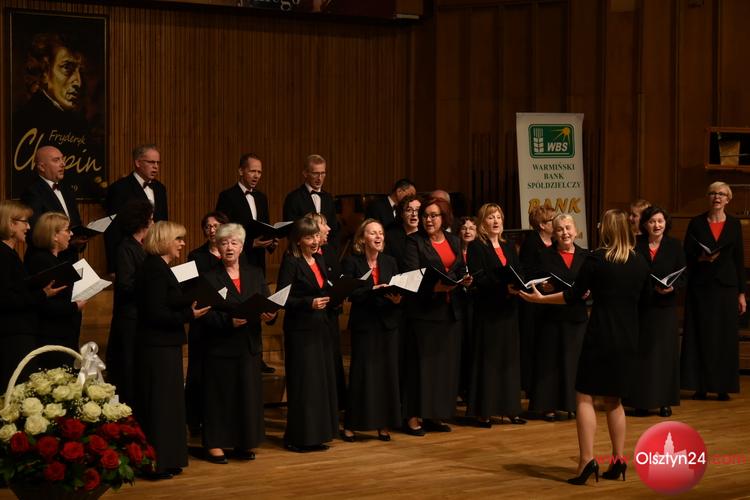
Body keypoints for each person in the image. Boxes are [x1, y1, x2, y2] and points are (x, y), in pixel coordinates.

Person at [519, 209, 649, 485]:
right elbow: (645, 299)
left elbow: (572, 295)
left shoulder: (596, 259)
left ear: (607, 230)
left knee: (584, 396)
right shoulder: (639, 261)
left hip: (600, 333)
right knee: (614, 399)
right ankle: (618, 459)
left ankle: (586, 461)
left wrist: (540, 300)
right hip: (629, 336)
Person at [134, 221, 210, 480]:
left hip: (165, 345)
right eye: (178, 239)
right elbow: (155, 313)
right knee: (159, 406)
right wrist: (190, 314)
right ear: (164, 240)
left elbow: (167, 301)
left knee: (169, 405)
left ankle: (169, 459)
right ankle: (155, 463)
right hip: (157, 347)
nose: (182, 243)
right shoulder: (154, 269)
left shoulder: (160, 268)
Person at [199, 224, 275, 463]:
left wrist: (271, 314)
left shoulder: (255, 273)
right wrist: (227, 321)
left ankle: (244, 441)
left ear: (242, 247)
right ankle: (215, 444)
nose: (229, 247)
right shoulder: (209, 277)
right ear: (218, 247)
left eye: (234, 243)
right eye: (224, 243)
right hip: (221, 346)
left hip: (249, 344)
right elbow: (203, 314)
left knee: (246, 396)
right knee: (220, 397)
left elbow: (267, 302)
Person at [402, 197, 472, 435]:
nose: (428, 220)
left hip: (451, 312)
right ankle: (413, 416)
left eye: (434, 215)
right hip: (425, 312)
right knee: (421, 368)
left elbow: (460, 267)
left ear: (444, 217)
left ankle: (435, 414)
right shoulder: (414, 241)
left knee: (444, 368)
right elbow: (411, 275)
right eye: (425, 215)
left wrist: (463, 279)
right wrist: (434, 288)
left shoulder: (454, 240)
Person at [276, 217, 339, 452]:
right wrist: (308, 303)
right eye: (309, 237)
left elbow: (325, 287)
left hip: (320, 328)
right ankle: (297, 438)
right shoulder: (291, 262)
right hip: (300, 332)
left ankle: (317, 435)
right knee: (304, 384)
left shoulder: (319, 259)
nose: (314, 241)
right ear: (298, 240)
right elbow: (282, 298)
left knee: (319, 384)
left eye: (316, 236)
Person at [682, 182, 746, 401]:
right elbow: (686, 254)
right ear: (707, 197)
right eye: (712, 193)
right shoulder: (696, 223)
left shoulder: (734, 224)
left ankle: (722, 387)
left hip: (726, 287)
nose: (716, 197)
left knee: (724, 337)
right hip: (701, 286)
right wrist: (700, 257)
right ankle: (699, 386)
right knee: (700, 335)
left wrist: (741, 293)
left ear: (728, 199)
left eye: (721, 194)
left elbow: (738, 258)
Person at [340, 219, 402, 442]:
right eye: (373, 233)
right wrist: (372, 289)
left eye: (380, 233)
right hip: (365, 325)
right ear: (362, 238)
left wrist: (397, 299)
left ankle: (383, 424)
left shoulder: (390, 261)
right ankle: (351, 424)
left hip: (387, 324)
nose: (378, 237)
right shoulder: (352, 262)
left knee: (386, 376)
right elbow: (350, 293)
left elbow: (399, 287)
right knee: (362, 375)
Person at [465, 203, 526, 427]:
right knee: (489, 361)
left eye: (499, 217)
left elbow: (518, 271)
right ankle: (484, 411)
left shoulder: (508, 246)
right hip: (489, 310)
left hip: (509, 310)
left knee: (509, 360)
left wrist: (518, 286)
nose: (496, 221)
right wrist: (503, 288)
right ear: (483, 222)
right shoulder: (476, 247)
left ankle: (511, 408)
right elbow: (479, 278)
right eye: (491, 217)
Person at [528, 214, 588, 422]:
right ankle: (548, 406)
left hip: (576, 316)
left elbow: (595, 282)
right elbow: (532, 279)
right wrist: (543, 286)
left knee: (574, 362)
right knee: (550, 362)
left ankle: (573, 405)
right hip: (551, 315)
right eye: (560, 229)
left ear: (576, 231)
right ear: (554, 233)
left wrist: (590, 292)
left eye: (568, 228)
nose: (565, 233)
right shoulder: (544, 255)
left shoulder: (585, 255)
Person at [625, 206, 684, 417]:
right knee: (642, 355)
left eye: (660, 221)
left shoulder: (674, 245)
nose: (656, 225)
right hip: (641, 307)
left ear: (666, 223)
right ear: (645, 224)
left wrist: (672, 287)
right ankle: (640, 402)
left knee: (664, 356)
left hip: (665, 308)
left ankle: (664, 402)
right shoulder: (635, 244)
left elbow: (684, 275)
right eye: (652, 222)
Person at [0, 201, 64, 389]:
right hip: (12, 334)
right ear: (11, 223)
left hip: (19, 330)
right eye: (25, 222)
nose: (28, 227)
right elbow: (6, 298)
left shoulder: (10, 253)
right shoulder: (3, 255)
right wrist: (42, 294)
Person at [106, 199, 154, 407]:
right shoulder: (126, 247)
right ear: (142, 221)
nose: (153, 223)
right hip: (129, 319)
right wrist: (152, 284)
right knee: (128, 366)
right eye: (151, 219)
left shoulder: (143, 247)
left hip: (140, 316)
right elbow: (126, 284)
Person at [25, 212, 86, 369]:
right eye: (67, 230)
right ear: (54, 236)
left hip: (62, 332)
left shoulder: (56, 259)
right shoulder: (42, 261)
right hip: (52, 335)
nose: (71, 234)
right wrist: (75, 306)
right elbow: (44, 304)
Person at [104, 144, 168, 272]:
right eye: (151, 162)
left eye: (158, 162)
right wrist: (113, 267)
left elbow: (163, 223)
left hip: (156, 254)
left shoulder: (160, 188)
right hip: (130, 256)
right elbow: (112, 229)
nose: (156, 166)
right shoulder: (120, 188)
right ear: (138, 163)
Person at [20, 145, 85, 262]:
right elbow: (34, 233)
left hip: (71, 258)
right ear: (41, 167)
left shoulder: (68, 190)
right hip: (46, 261)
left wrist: (80, 239)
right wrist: (69, 242)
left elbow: (75, 223)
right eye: (56, 160)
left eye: (62, 159)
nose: (63, 164)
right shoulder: (32, 192)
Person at [307, 211, 345, 408]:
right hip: (313, 318)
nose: (329, 228)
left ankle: (336, 403)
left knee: (333, 359)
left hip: (331, 313)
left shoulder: (328, 251)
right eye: (324, 224)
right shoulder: (300, 256)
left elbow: (336, 277)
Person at [215, 153, 277, 271]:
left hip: (259, 260)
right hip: (237, 258)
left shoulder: (262, 198)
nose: (256, 176)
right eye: (252, 171)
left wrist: (271, 242)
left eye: (259, 172)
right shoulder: (227, 196)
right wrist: (251, 243)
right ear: (241, 171)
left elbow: (265, 226)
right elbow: (223, 230)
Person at [518, 205, 556, 395]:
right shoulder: (531, 243)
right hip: (534, 301)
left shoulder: (556, 241)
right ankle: (531, 386)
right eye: (552, 220)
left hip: (552, 300)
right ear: (542, 225)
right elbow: (527, 272)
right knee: (533, 343)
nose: (556, 223)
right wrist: (543, 284)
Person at [282, 154, 339, 250]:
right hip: (301, 252)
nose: (319, 178)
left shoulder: (328, 198)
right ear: (305, 173)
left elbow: (334, 230)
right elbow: (291, 231)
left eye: (322, 173)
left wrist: (330, 252)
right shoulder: (293, 198)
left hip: (326, 252)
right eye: (315, 173)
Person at [384, 194, 421, 272]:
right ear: (401, 214)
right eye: (409, 210)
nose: (414, 214)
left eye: (418, 210)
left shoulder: (427, 234)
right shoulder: (390, 237)